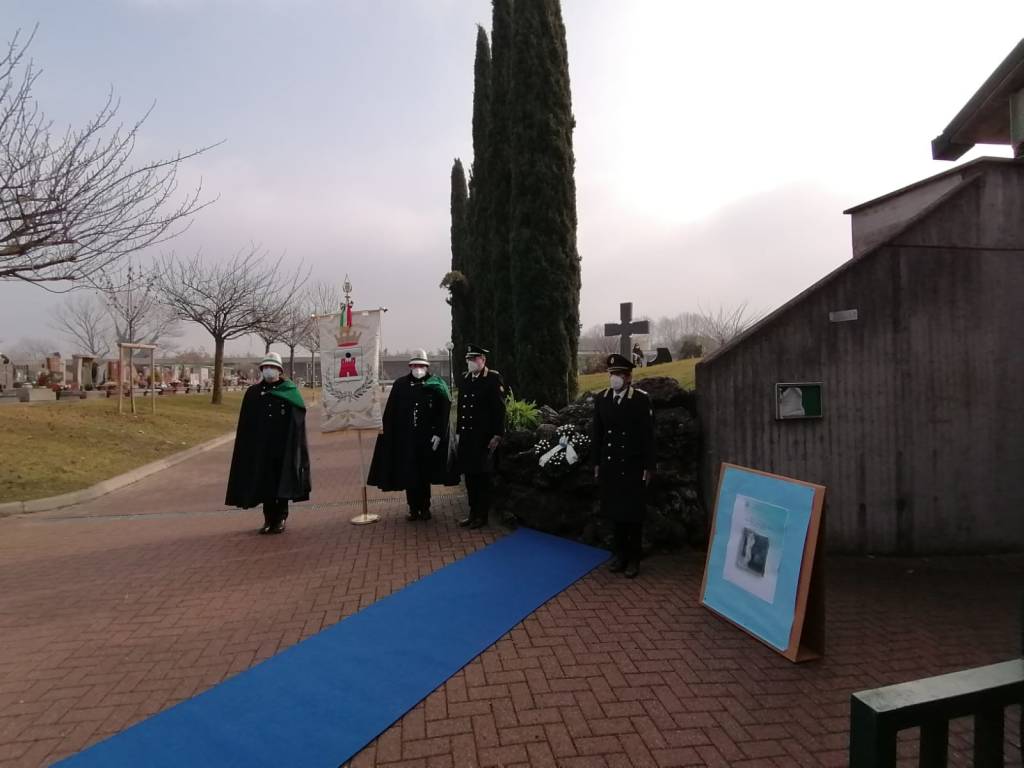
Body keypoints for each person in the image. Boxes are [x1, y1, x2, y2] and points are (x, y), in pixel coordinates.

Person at [225, 352, 311, 534]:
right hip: (261, 448)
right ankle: (268, 519)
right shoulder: (253, 393)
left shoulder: (290, 391)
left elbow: (298, 419)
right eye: (265, 368)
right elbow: (246, 423)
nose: (268, 371)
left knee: (282, 483)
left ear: (279, 370)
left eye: (272, 367)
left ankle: (280, 518)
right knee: (265, 484)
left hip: (283, 447)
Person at [367, 349, 452, 521]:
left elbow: (443, 412)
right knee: (409, 474)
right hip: (406, 439)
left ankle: (425, 508)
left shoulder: (436, 385)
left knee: (424, 475)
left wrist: (438, 433)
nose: (418, 368)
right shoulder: (400, 385)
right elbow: (391, 412)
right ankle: (413, 509)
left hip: (426, 440)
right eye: (415, 365)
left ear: (426, 367)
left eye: (421, 365)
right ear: (410, 366)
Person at [592, 353, 655, 578]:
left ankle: (634, 559)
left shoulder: (639, 399)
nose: (614, 378)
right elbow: (597, 433)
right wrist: (596, 463)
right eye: (612, 374)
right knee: (615, 512)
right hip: (610, 464)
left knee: (633, 515)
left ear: (628, 377)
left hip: (632, 465)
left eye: (618, 374)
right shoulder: (603, 398)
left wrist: (649, 466)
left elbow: (648, 436)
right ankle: (619, 555)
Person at [456, 344, 506, 529]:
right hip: (468, 437)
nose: (471, 362)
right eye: (469, 359)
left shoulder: (492, 378)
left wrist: (497, 434)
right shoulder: (465, 378)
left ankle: (482, 516)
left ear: (483, 360)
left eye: (474, 359)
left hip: (484, 438)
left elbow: (499, 409)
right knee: (469, 477)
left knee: (482, 478)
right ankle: (472, 513)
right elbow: (462, 407)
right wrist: (458, 432)